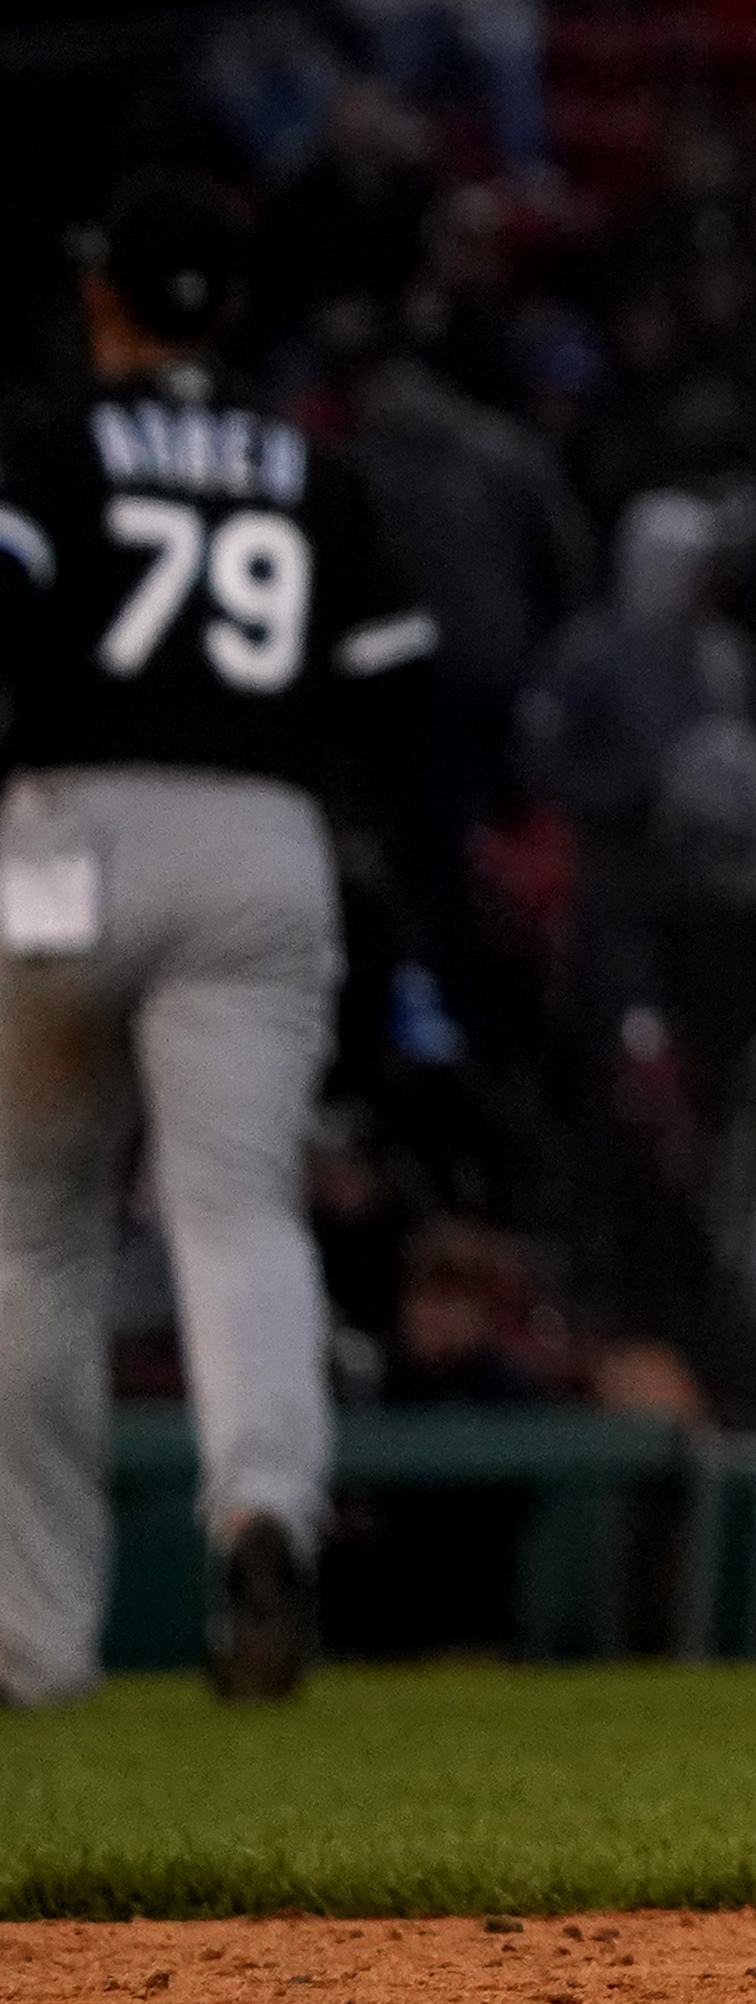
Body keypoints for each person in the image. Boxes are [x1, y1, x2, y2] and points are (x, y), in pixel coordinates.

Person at [0, 174, 444, 1706]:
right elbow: (403, 692)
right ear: (232, 309)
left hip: (68, 833)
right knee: (240, 1217)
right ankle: (262, 1512)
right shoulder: (307, 470)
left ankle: (35, 1643)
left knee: (29, 1231)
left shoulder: (58, 444)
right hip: (261, 834)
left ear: (104, 294)